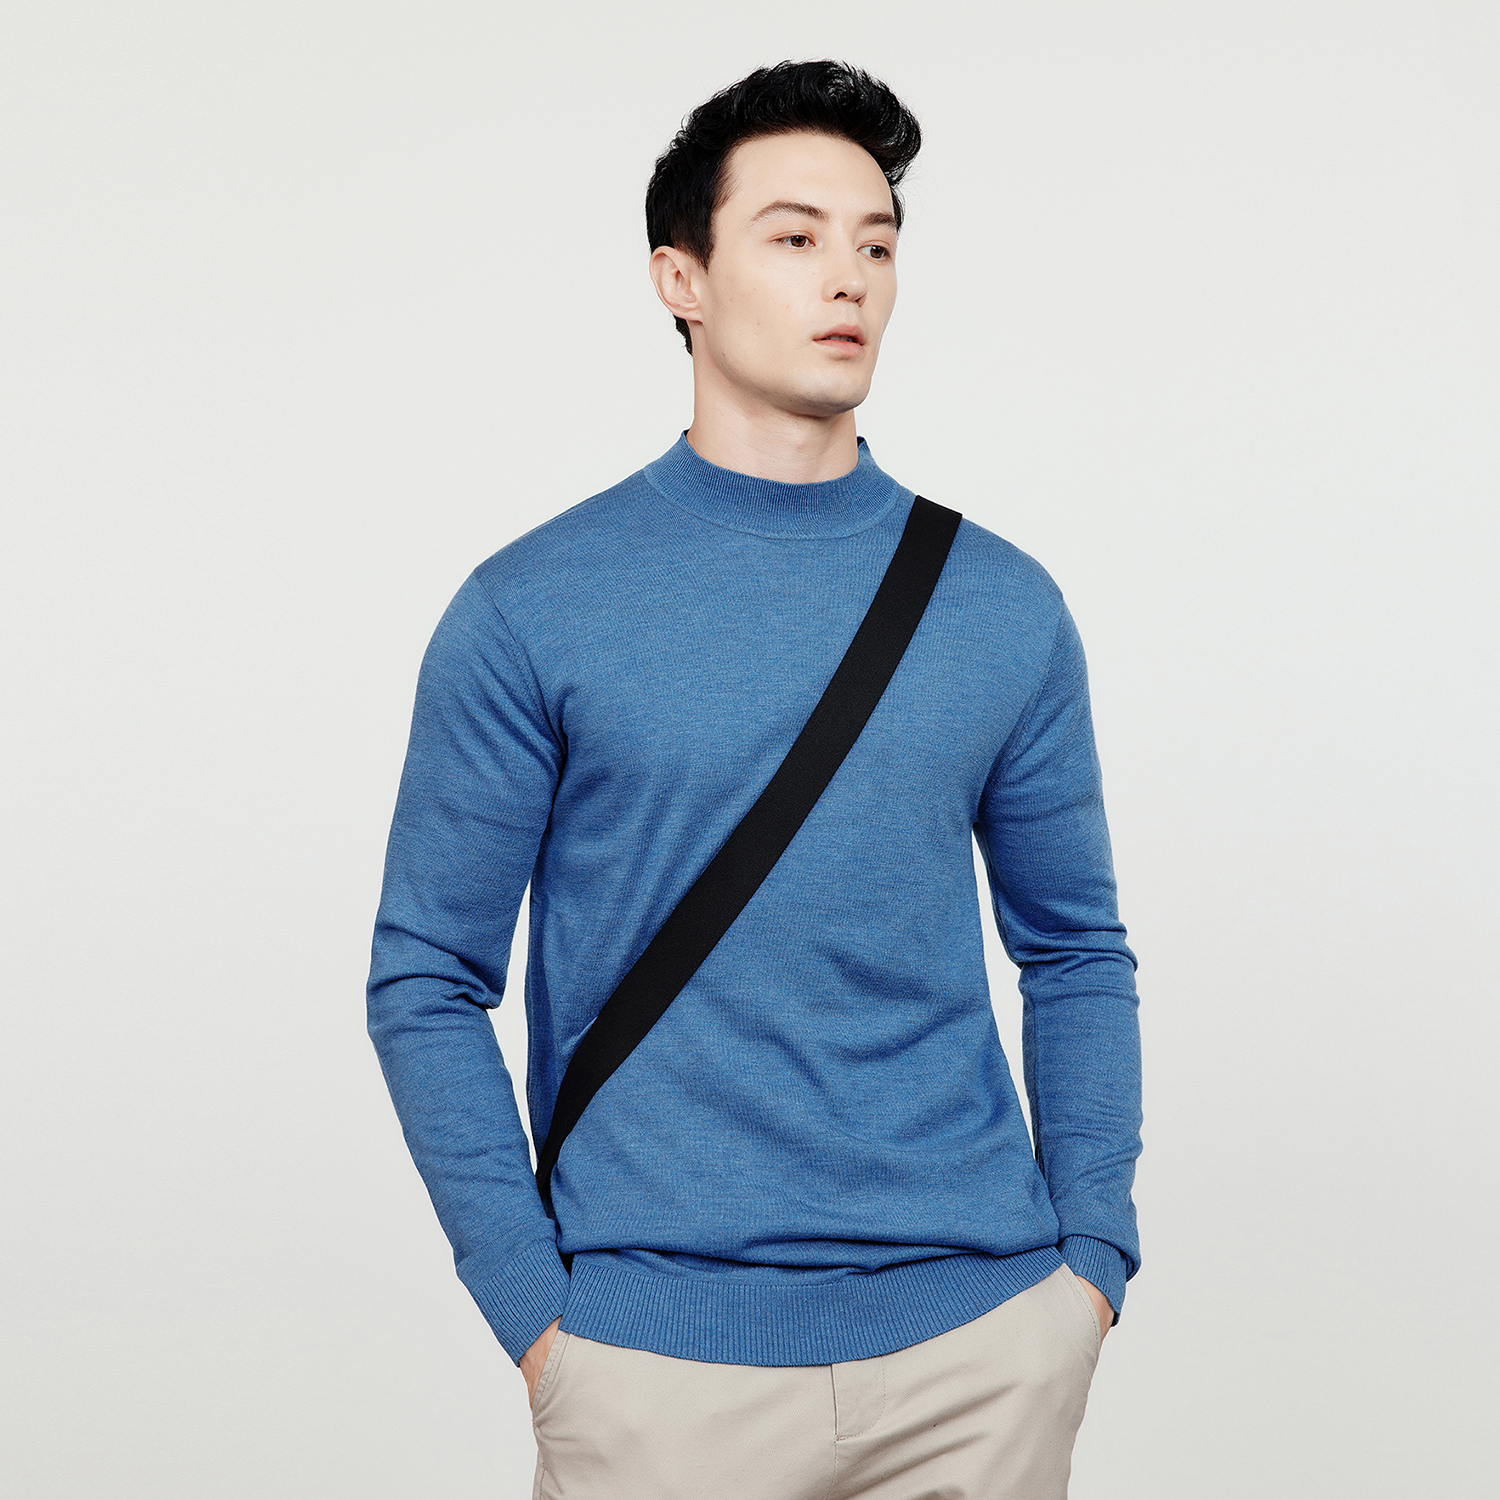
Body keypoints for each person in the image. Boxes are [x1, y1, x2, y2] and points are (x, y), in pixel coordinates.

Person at [367, 59, 1142, 1500]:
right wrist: (537, 1316)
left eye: (876, 244)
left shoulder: (1001, 604)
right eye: (794, 237)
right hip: (653, 1365)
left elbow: (1076, 949)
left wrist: (1089, 1264)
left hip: (981, 1353)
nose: (848, 277)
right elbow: (425, 977)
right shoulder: (533, 605)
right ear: (683, 280)